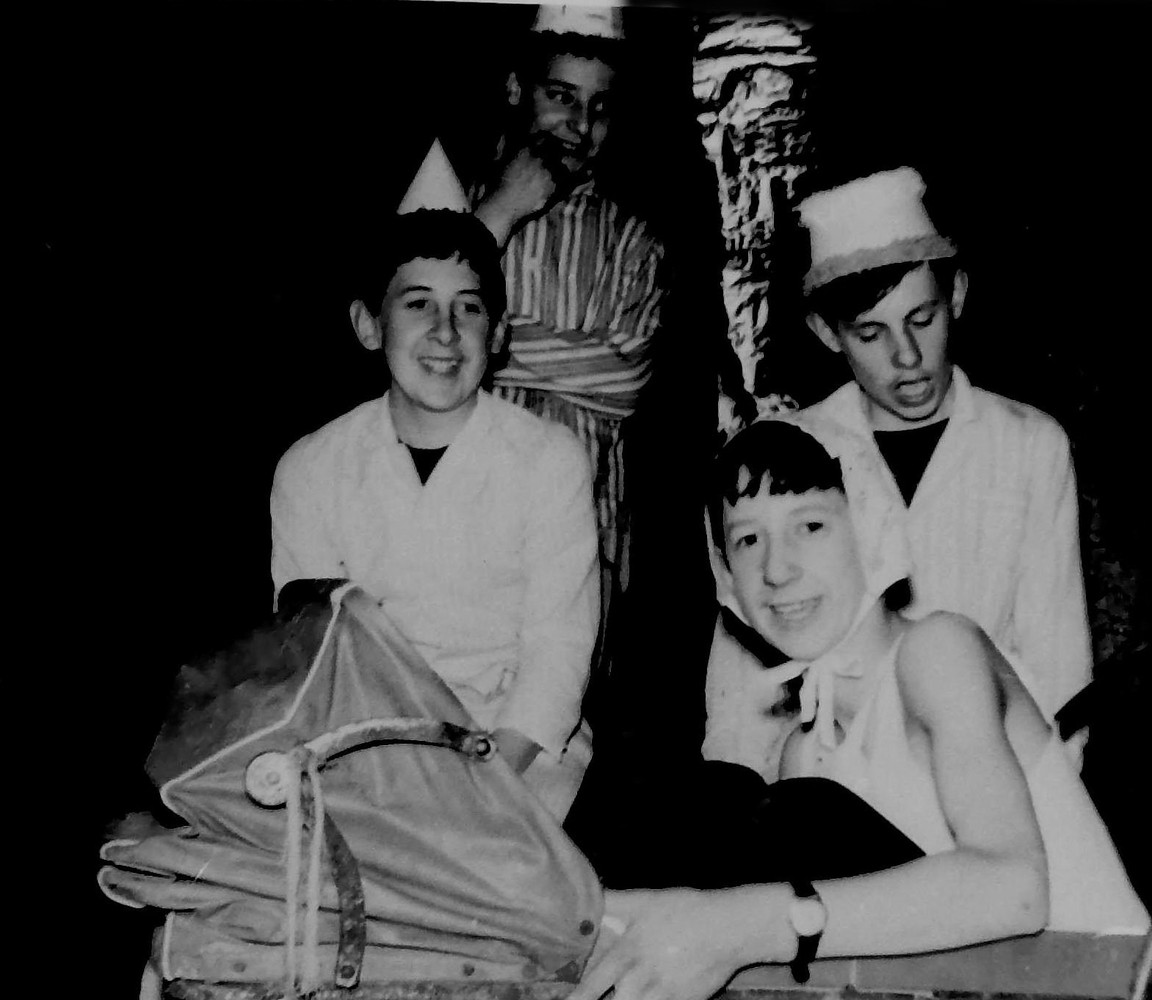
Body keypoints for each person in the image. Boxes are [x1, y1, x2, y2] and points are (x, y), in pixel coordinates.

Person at [569, 420, 1146, 1000]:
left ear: (871, 530)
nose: (777, 570)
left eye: (810, 526)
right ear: (725, 574)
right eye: (748, 540)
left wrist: (742, 924)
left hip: (1097, 983)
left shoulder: (937, 651)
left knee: (771, 808)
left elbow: (1017, 890)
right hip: (969, 989)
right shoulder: (807, 749)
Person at [704, 166, 1094, 778]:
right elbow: (743, 692)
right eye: (870, 333)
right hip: (827, 784)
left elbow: (1059, 670)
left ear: (956, 294)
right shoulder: (792, 452)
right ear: (827, 333)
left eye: (922, 318)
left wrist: (1048, 803)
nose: (906, 357)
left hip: (990, 776)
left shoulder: (1027, 444)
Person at [270, 140, 600, 820]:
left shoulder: (549, 460)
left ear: (498, 334)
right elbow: (316, 658)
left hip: (517, 754)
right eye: (417, 304)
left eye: (469, 308)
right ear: (369, 325)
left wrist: (480, 780)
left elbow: (557, 657)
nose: (446, 333)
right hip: (360, 753)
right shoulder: (312, 469)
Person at [469, 5, 666, 680]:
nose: (581, 126)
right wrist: (499, 212)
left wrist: (488, 342)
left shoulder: (632, 240)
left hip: (589, 532)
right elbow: (413, 346)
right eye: (562, 97)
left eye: (601, 107)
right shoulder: (452, 208)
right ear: (516, 89)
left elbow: (627, 380)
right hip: (461, 521)